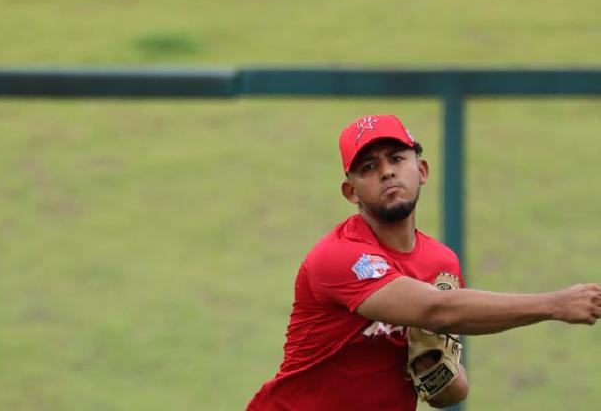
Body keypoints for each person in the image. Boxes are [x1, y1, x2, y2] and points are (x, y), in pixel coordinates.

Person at [246, 114, 601, 410]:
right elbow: (437, 311)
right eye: (369, 166)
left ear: (422, 170)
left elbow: (450, 393)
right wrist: (555, 304)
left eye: (397, 159)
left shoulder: (440, 263)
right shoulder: (339, 255)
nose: (387, 172)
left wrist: (434, 366)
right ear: (351, 192)